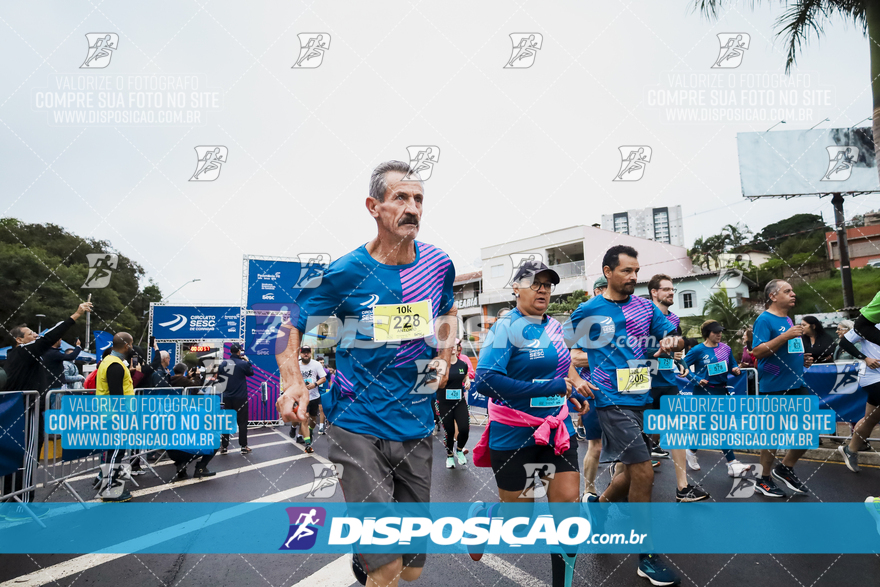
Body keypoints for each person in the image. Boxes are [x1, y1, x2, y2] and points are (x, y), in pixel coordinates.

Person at [275, 160, 458, 587]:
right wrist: (294, 380)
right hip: (356, 422)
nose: (412, 207)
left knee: (411, 570)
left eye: (418, 199)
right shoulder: (345, 272)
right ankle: (375, 557)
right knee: (389, 566)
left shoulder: (438, 264)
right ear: (373, 207)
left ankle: (369, 557)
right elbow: (294, 324)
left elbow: (448, 308)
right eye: (401, 198)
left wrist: (446, 355)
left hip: (414, 421)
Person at [566, 245, 684, 586]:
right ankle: (645, 556)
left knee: (634, 474)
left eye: (636, 271)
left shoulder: (645, 308)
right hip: (610, 400)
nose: (633, 277)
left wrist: (671, 343)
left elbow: (668, 336)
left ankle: (600, 506)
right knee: (644, 471)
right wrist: (580, 377)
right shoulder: (588, 310)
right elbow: (570, 352)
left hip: (640, 396)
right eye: (626, 271)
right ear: (608, 272)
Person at [469, 260, 590, 587]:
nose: (542, 289)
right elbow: (486, 381)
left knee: (567, 516)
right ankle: (484, 519)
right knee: (519, 523)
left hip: (556, 432)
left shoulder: (554, 326)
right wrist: (549, 388)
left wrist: (569, 392)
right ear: (515, 288)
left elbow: (559, 370)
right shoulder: (505, 327)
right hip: (514, 436)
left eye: (548, 284)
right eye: (534, 283)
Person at [1, 301, 92, 513]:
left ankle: (15, 503)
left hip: (24, 411)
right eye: (31, 333)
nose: (36, 336)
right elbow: (50, 337)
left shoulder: (19, 356)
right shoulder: (24, 352)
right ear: (19, 340)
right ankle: (18, 507)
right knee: (26, 459)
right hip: (26, 413)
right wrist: (76, 314)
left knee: (23, 459)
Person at [646, 274, 709, 502]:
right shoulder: (642, 315)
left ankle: (682, 488)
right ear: (654, 292)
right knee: (640, 440)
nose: (672, 293)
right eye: (666, 289)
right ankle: (622, 478)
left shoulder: (673, 319)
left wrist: (679, 360)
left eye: (673, 289)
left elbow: (676, 346)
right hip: (644, 383)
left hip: (668, 382)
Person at [751, 279, 811, 497]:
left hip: (796, 382)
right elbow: (756, 352)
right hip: (774, 386)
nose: (793, 294)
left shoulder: (787, 318)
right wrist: (785, 336)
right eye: (787, 291)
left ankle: (784, 468)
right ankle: (763, 479)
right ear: (773, 296)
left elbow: (786, 349)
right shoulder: (764, 320)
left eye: (792, 291)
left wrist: (802, 358)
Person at [681, 320, 749, 478]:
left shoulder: (726, 348)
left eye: (720, 332)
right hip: (704, 392)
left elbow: (733, 364)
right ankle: (732, 464)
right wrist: (696, 379)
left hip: (721, 391)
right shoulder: (698, 350)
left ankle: (691, 450)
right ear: (707, 334)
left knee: (705, 427)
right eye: (715, 332)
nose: (719, 334)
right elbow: (682, 366)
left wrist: (736, 369)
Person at [94, 332, 137, 503]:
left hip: (110, 415)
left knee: (114, 452)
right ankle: (110, 489)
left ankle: (107, 484)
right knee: (115, 453)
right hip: (115, 416)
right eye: (132, 344)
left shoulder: (109, 361)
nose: (133, 348)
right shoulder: (115, 365)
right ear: (126, 345)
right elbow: (116, 396)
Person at [836, 316, 880, 472]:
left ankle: (851, 450)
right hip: (873, 377)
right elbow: (844, 342)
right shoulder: (868, 325)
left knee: (870, 419)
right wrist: (865, 358)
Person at [437, 340, 472, 468]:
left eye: (455, 346)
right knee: (449, 431)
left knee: (464, 429)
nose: (452, 348)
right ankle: (450, 456)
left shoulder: (463, 364)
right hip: (444, 402)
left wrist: (467, 381)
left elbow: (465, 376)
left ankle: (460, 450)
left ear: (458, 349)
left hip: (459, 402)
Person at [218, 343, 255, 455]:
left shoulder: (223, 364)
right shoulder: (243, 364)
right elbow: (251, 373)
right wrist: (248, 361)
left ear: (230, 351)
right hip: (241, 397)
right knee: (242, 422)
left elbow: (220, 379)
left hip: (228, 397)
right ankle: (243, 446)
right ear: (239, 351)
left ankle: (224, 447)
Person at [291, 346, 326, 454]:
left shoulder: (316, 364)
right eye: (303, 353)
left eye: (308, 353)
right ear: (300, 354)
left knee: (313, 419)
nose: (306, 354)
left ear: (310, 353)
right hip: (301, 397)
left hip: (314, 396)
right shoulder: (296, 365)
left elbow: (323, 378)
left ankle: (305, 431)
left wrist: (314, 384)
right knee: (304, 418)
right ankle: (307, 444)